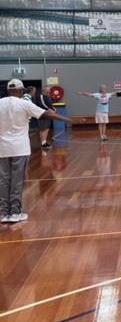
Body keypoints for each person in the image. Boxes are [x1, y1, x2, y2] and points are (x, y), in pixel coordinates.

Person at [1, 79, 74, 223]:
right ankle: (15, 212)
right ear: (21, 90)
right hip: (20, 148)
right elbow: (48, 114)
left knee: (3, 180)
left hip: (2, 148)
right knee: (17, 180)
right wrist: (68, 120)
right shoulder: (24, 103)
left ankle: (3, 213)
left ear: (8, 90)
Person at [34, 86, 55, 150]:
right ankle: (43, 143)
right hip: (43, 115)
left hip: (48, 114)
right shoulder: (40, 96)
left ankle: (44, 142)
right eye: (48, 89)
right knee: (43, 129)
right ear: (44, 90)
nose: (50, 91)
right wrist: (50, 109)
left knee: (47, 129)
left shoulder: (48, 96)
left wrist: (53, 109)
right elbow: (43, 104)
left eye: (50, 90)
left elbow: (50, 104)